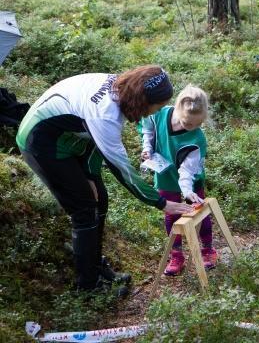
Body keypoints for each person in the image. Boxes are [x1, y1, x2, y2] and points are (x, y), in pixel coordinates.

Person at [16, 65, 193, 294]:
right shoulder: (105, 114)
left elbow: (96, 143)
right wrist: (160, 202)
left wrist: (90, 175)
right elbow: (123, 170)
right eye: (154, 108)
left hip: (70, 138)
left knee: (101, 200)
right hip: (41, 143)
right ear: (141, 101)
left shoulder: (119, 89)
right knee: (85, 210)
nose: (153, 114)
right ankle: (88, 287)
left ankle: (96, 267)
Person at [140, 85, 217, 276]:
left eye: (196, 124)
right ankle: (177, 256)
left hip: (189, 180)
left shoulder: (197, 138)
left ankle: (207, 250)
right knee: (171, 215)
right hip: (165, 175)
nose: (190, 127)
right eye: (186, 123)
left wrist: (187, 191)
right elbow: (148, 130)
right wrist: (147, 148)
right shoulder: (159, 114)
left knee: (199, 212)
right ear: (177, 109)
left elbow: (187, 170)